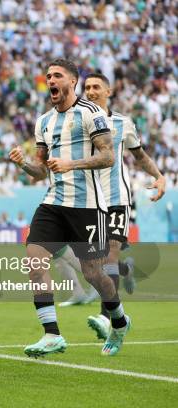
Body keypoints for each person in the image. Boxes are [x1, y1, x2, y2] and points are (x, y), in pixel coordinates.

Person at [9, 59, 130, 357]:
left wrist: (70, 164)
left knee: (94, 275)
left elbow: (107, 157)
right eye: (48, 75)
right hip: (54, 202)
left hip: (88, 206)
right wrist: (23, 163)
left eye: (57, 75)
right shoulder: (44, 121)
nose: (50, 79)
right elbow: (40, 171)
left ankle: (119, 319)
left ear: (72, 82)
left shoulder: (92, 113)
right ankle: (51, 334)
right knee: (34, 259)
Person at [82, 73, 166, 340]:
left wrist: (159, 176)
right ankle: (127, 270)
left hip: (117, 199)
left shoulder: (122, 123)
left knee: (108, 259)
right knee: (93, 268)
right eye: (87, 88)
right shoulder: (78, 122)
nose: (91, 91)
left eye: (96, 87)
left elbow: (139, 155)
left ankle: (107, 319)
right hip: (89, 202)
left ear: (108, 91)